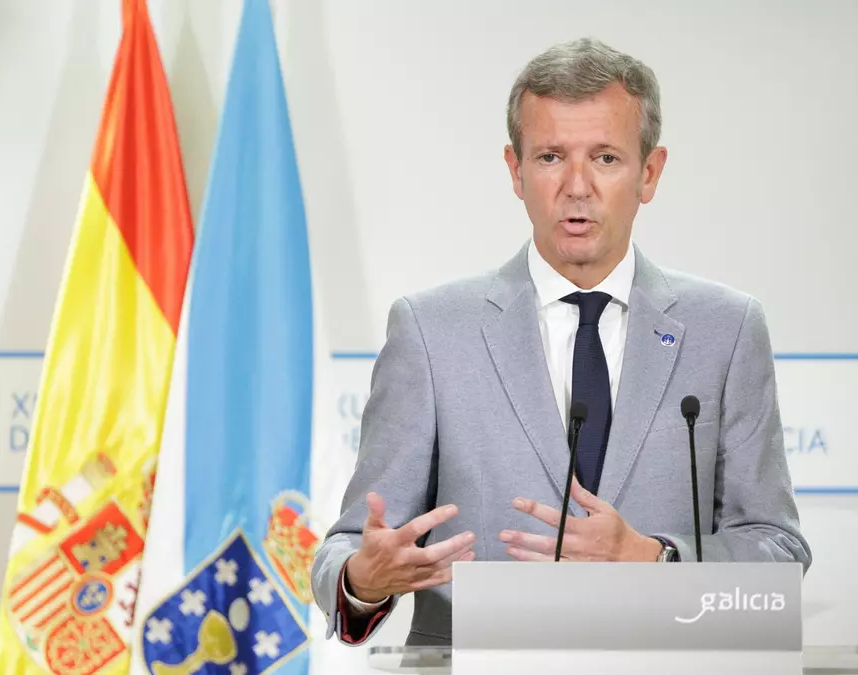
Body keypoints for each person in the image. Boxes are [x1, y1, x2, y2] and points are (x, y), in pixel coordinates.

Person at [311, 37, 811, 647]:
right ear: (515, 171)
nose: (577, 186)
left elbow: (778, 548)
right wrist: (363, 580)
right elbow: (347, 549)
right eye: (550, 157)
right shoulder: (431, 331)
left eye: (605, 158)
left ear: (649, 173)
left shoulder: (726, 330)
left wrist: (655, 559)